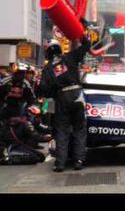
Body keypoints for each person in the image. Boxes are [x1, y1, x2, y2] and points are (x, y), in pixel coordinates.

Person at [37, 36, 91, 172]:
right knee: (79, 129)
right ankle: (78, 160)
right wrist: (82, 34)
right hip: (77, 95)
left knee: (62, 131)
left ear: (47, 53)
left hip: (61, 98)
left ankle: (60, 163)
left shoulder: (47, 68)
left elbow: (43, 89)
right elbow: (86, 46)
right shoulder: (70, 57)